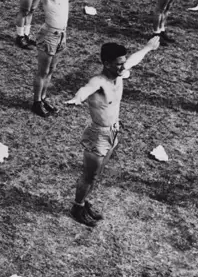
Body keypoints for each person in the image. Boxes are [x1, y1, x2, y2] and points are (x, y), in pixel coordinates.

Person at [66, 37, 160, 226]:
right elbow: (86, 89)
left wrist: (148, 47)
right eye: (118, 65)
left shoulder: (120, 73)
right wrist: (77, 99)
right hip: (98, 136)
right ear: (106, 64)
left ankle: (84, 203)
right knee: (89, 175)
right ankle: (77, 206)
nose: (123, 68)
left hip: (113, 132)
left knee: (97, 174)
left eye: (123, 63)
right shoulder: (98, 81)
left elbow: (135, 58)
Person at [23, 0, 101, 117]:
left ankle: (43, 98)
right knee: (42, 71)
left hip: (61, 34)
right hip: (49, 35)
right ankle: (36, 102)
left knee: (51, 69)